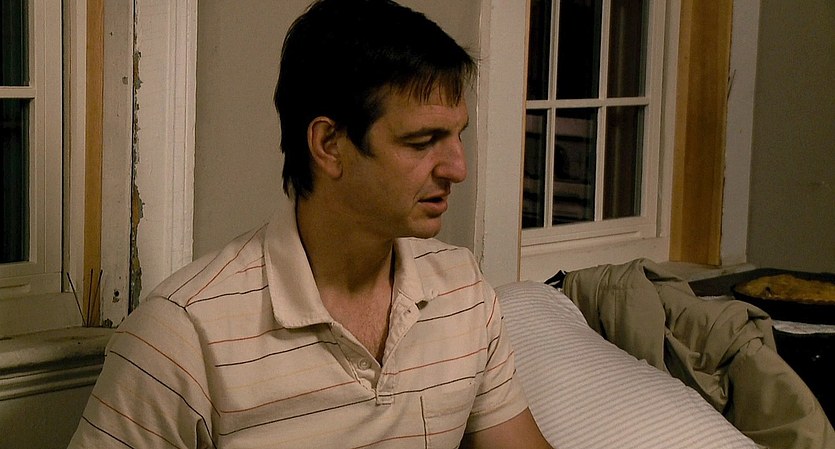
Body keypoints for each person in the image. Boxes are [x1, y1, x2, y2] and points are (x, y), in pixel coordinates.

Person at [70, 0, 551, 447]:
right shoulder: (183, 335)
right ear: (329, 145)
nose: (457, 168)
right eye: (423, 141)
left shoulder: (463, 291)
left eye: (457, 135)